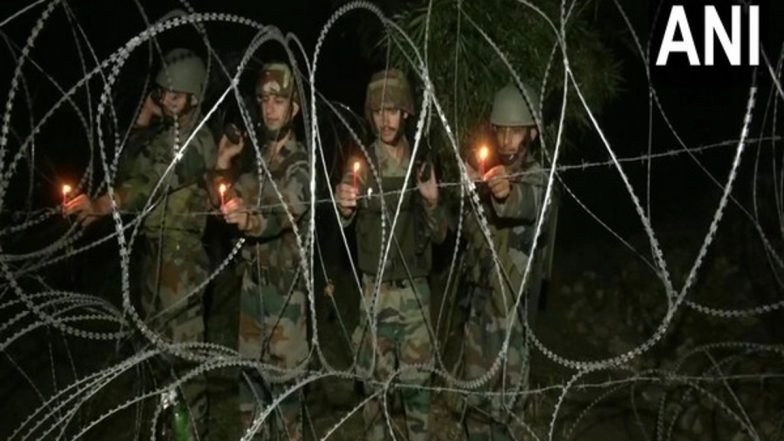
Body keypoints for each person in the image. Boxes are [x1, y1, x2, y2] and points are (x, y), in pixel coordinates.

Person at [64, 48, 215, 439]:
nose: (166, 100)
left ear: (194, 97)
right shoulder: (166, 134)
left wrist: (102, 204)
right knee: (157, 356)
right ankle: (166, 429)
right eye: (162, 93)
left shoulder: (200, 140)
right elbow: (130, 166)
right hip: (155, 255)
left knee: (184, 361)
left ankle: (191, 432)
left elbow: (150, 182)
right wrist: (143, 120)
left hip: (182, 264)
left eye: (175, 96)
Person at [335, 68, 447, 441]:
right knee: (374, 399)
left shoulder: (422, 163)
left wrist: (432, 202)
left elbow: (442, 234)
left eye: (394, 110)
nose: (386, 119)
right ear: (371, 114)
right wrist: (344, 205)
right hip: (375, 292)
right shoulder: (361, 165)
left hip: (415, 295)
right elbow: (343, 223)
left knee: (417, 399)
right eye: (379, 111)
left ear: (407, 114)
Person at [210, 61, 310, 441]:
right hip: (253, 297)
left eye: (279, 100)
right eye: (264, 99)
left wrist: (248, 220)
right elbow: (230, 199)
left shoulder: (299, 165)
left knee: (285, 410)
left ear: (294, 109)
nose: (270, 108)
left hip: (286, 303)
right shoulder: (260, 161)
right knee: (251, 403)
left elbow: (279, 213)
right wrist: (222, 164)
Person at [459, 83, 547, 441]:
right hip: (479, 312)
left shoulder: (537, 177)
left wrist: (503, 192)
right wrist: (469, 192)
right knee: (476, 410)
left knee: (509, 418)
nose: (508, 140)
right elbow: (467, 237)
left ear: (532, 132)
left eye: (516, 131)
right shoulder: (486, 174)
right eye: (502, 131)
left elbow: (523, 201)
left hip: (512, 319)